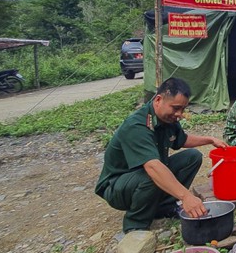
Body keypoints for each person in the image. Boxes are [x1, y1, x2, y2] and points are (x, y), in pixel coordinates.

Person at [95, 77, 228, 233]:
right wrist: (186, 197)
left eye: (183, 109)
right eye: (176, 108)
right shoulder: (137, 126)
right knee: (153, 173)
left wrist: (210, 140)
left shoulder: (168, 118)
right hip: (117, 186)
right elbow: (153, 167)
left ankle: (164, 208)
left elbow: (181, 140)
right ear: (158, 100)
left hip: (142, 175)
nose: (179, 114)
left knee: (192, 157)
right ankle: (135, 225)